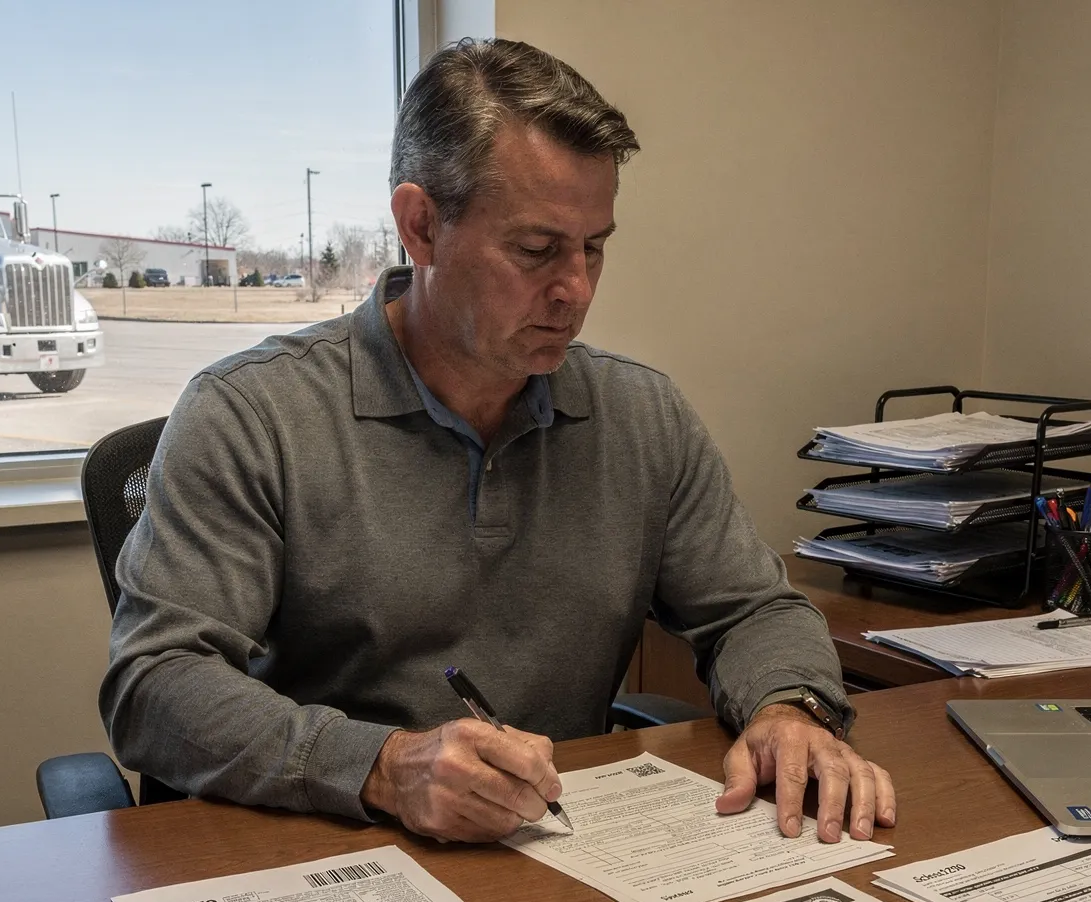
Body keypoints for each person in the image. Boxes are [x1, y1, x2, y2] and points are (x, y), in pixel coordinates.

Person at [102, 38, 895, 845]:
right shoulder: (251, 415)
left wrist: (788, 709)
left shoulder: (640, 416)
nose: (576, 290)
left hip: (552, 856)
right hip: (322, 855)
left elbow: (753, 609)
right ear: (421, 226)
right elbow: (155, 683)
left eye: (594, 248)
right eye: (536, 249)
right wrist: (382, 766)